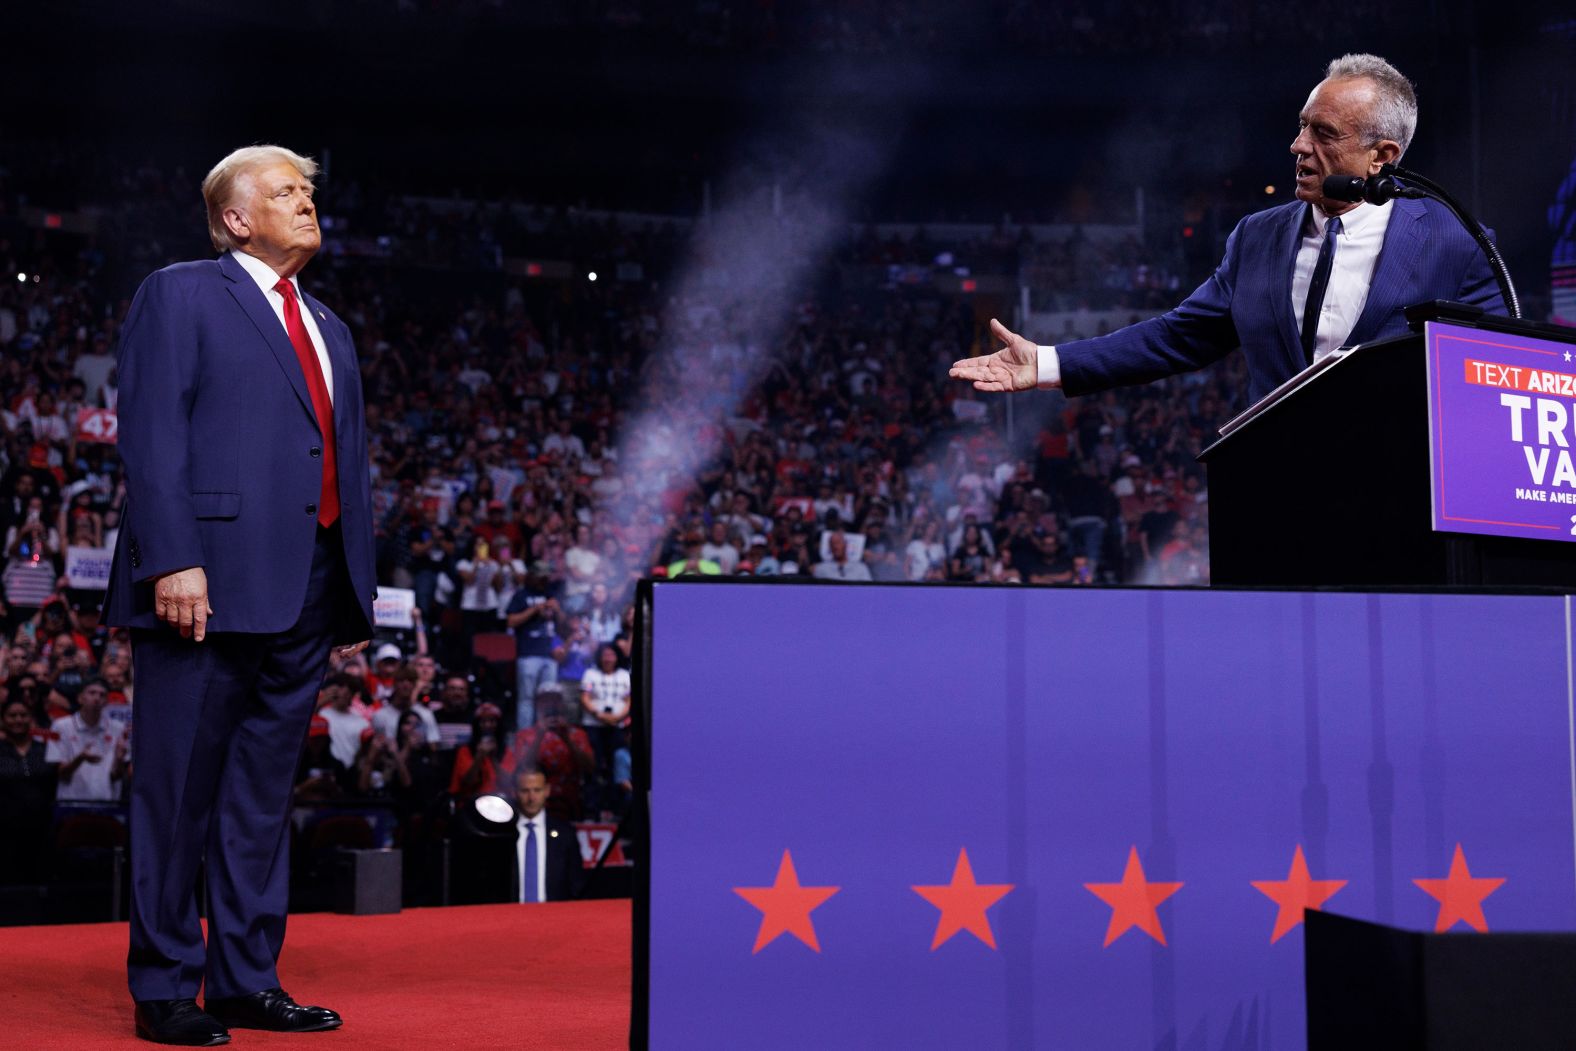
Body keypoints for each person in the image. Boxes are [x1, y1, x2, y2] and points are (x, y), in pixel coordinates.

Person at [103, 144, 375, 1044]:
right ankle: (165, 984)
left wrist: (349, 587)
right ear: (234, 217)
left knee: (260, 798)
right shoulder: (179, 292)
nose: (305, 203)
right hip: (202, 585)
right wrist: (171, 558)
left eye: (308, 191)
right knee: (177, 792)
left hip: (305, 587)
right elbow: (149, 432)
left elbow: (338, 465)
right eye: (285, 192)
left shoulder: (330, 324)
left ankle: (245, 978)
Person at [951, 54, 1504, 406]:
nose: (1298, 147)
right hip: (1274, 487)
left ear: (1382, 155)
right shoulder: (1256, 239)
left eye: (1324, 133)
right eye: (1301, 126)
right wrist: (1048, 362)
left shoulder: (1456, 242)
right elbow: (1177, 337)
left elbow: (1500, 375)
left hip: (1402, 497)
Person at [0, 694, 57, 885]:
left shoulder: (45, 749)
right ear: (3, 720)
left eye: (23, 715)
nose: (18, 720)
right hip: (5, 832)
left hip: (41, 830)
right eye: (12, 715)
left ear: (30, 719)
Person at [45, 677, 127, 802]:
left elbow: (115, 776)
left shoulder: (118, 728)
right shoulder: (60, 726)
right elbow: (61, 774)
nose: (97, 698)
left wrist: (120, 760)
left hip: (107, 803)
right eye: (92, 693)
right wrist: (80, 758)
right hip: (70, 803)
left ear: (106, 702)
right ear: (80, 698)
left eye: (102, 695)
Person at [511, 767, 585, 903]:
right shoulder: (503, 834)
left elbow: (576, 884)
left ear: (547, 791)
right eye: (525, 791)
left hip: (554, 917)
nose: (531, 798)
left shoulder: (565, 833)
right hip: (509, 915)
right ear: (515, 792)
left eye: (537, 790)